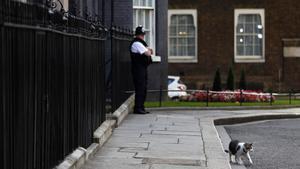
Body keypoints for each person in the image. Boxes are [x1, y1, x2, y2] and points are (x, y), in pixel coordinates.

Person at [129, 25, 153, 114]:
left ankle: (141, 107)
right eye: (142, 35)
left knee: (143, 88)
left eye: (143, 35)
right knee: (140, 88)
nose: (143, 37)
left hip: (142, 69)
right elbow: (148, 53)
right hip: (138, 69)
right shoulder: (137, 43)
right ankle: (138, 108)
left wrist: (149, 50)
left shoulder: (140, 43)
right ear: (138, 35)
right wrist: (148, 50)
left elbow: (150, 51)